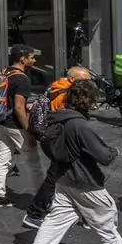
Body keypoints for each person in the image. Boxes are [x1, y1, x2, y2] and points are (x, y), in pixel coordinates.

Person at [18, 79, 122, 244]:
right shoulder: (79, 125)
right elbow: (104, 156)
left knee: (56, 219)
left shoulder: (54, 118)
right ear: (89, 102)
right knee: (106, 223)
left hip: (62, 178)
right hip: (84, 181)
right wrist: (114, 151)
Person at [25, 66, 94, 228]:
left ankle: (81, 214)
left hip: (57, 140)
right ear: (71, 79)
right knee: (58, 176)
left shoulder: (56, 88)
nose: (88, 84)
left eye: (89, 81)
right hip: (63, 141)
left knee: (69, 176)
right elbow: (66, 121)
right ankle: (34, 213)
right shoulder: (64, 95)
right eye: (84, 81)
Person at [0, 44, 45, 209]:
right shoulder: (22, 79)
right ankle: (42, 199)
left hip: (1, 122)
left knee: (2, 158)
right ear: (23, 59)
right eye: (32, 57)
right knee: (33, 162)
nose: (34, 60)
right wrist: (29, 130)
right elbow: (19, 107)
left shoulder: (5, 72)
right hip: (15, 125)